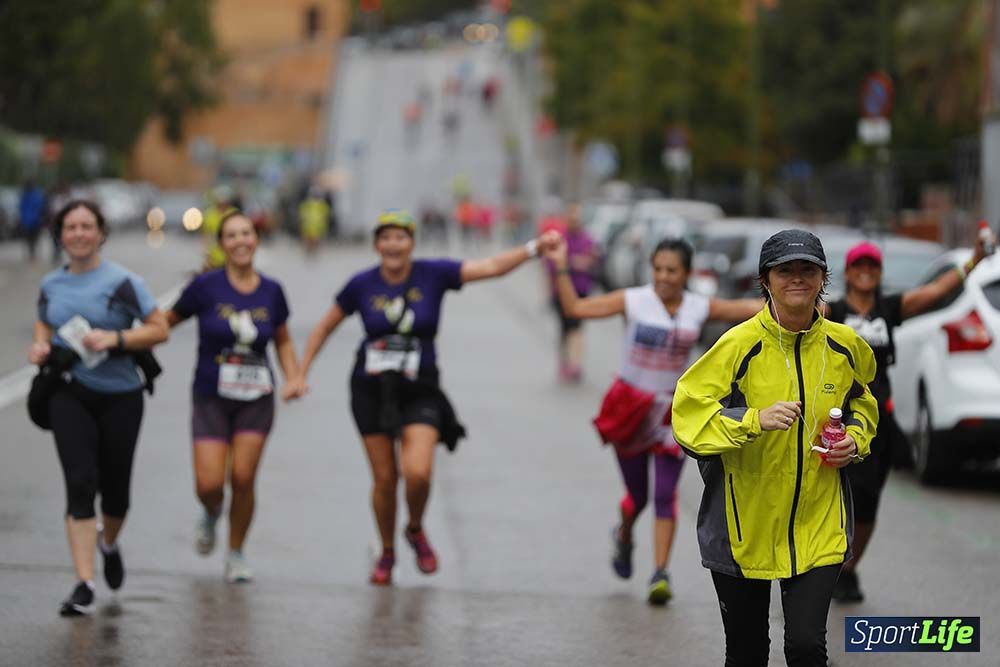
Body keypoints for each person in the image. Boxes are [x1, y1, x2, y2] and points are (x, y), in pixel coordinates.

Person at [289, 209, 558, 585]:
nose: (393, 245)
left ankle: (414, 528)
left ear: (412, 243)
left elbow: (491, 267)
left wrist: (533, 248)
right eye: (386, 237)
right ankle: (386, 552)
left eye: (400, 237)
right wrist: (300, 373)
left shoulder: (433, 274)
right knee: (385, 479)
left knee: (417, 473)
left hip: (420, 390)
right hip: (371, 389)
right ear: (376, 245)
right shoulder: (361, 284)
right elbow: (324, 327)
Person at [672, 229, 879, 666]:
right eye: (785, 270)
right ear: (765, 280)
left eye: (808, 269)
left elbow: (863, 401)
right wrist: (753, 420)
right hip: (743, 527)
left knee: (806, 647)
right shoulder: (738, 345)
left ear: (823, 278)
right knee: (747, 653)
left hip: (818, 524)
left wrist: (855, 440)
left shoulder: (845, 346)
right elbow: (687, 417)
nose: (797, 278)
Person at [545, 236, 762, 605]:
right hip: (630, 408)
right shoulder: (633, 300)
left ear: (686, 274)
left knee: (664, 495)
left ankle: (660, 573)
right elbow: (575, 308)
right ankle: (624, 533)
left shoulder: (698, 306)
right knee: (638, 497)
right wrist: (562, 265)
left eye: (671, 270)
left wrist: (808, 302)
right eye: (658, 269)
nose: (663, 276)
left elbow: (751, 309)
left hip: (671, 413)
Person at [824, 230, 994, 602]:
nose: (866, 271)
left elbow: (936, 291)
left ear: (879, 272)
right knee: (831, 497)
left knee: (868, 500)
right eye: (858, 265)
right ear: (847, 272)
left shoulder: (889, 308)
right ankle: (822, 568)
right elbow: (793, 314)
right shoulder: (831, 312)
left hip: (877, 423)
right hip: (835, 420)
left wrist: (975, 259)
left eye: (872, 265)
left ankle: (848, 570)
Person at [29, 200, 169, 616]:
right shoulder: (51, 284)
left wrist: (116, 339)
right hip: (68, 391)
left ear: (101, 233)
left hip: (121, 395)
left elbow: (159, 328)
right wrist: (40, 345)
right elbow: (45, 321)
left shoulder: (124, 282)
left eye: (86, 226)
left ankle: (108, 543)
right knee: (80, 481)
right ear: (60, 235)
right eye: (70, 227)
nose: (78, 234)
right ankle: (84, 583)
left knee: (116, 492)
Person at [166, 210, 303, 583]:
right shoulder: (206, 287)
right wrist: (129, 340)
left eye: (246, 233)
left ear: (255, 240)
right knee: (210, 484)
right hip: (210, 396)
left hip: (256, 398)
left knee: (243, 477)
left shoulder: (271, 291)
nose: (241, 241)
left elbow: (283, 340)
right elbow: (165, 322)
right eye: (232, 235)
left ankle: (236, 552)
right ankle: (212, 512)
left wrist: (293, 377)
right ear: (222, 245)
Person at [545, 203, 597, 383]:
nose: (575, 221)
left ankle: (576, 364)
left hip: (580, 291)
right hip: (560, 291)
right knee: (564, 329)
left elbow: (592, 260)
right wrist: (574, 263)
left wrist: (576, 262)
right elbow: (550, 265)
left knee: (577, 328)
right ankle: (564, 362)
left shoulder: (587, 238)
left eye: (577, 218)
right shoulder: (559, 239)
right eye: (572, 218)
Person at [18, 179, 47, 261]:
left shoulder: (29, 195)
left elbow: (21, 208)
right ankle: (32, 254)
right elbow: (41, 207)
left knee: (31, 239)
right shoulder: (31, 195)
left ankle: (32, 254)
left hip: (32, 221)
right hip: (32, 221)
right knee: (32, 239)